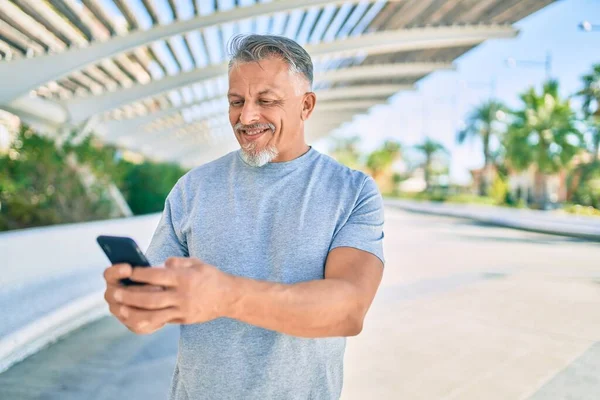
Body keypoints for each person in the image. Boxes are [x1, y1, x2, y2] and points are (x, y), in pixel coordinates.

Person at [103, 34, 385, 400]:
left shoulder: (352, 192)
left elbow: (348, 309)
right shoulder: (192, 188)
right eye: (236, 101)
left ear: (306, 105)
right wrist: (138, 305)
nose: (246, 117)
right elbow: (155, 294)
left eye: (266, 101)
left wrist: (227, 297)